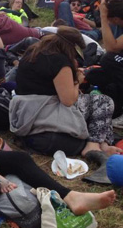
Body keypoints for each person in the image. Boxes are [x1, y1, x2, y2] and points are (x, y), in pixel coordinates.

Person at [11, 26, 121, 157]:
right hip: (44, 111)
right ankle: (93, 145)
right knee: (103, 101)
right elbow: (68, 100)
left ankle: (102, 144)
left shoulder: (33, 51)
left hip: (25, 109)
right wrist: (78, 80)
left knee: (92, 102)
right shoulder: (59, 61)